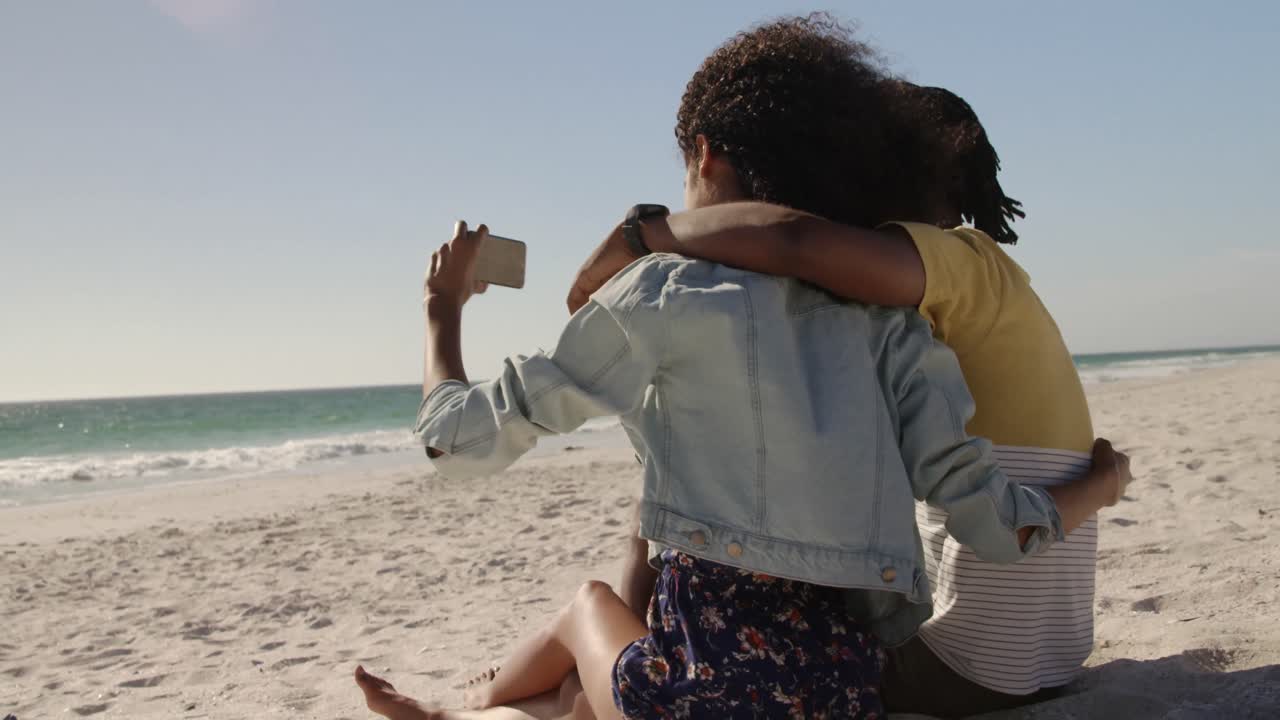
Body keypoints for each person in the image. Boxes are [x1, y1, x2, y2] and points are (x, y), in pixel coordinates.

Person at [355, 16, 1130, 720]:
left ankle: (460, 713)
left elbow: (453, 443)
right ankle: (505, 707)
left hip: (702, 695)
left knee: (590, 607)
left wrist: (441, 307)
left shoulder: (661, 292)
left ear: (705, 156)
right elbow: (993, 527)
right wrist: (1092, 489)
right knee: (593, 679)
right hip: (843, 698)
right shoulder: (896, 330)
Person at [567, 84, 1116, 717]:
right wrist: (1104, 486)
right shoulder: (991, 289)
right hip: (1050, 658)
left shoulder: (953, 265)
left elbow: (795, 241)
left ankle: (596, 688)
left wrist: (646, 235)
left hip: (961, 667)